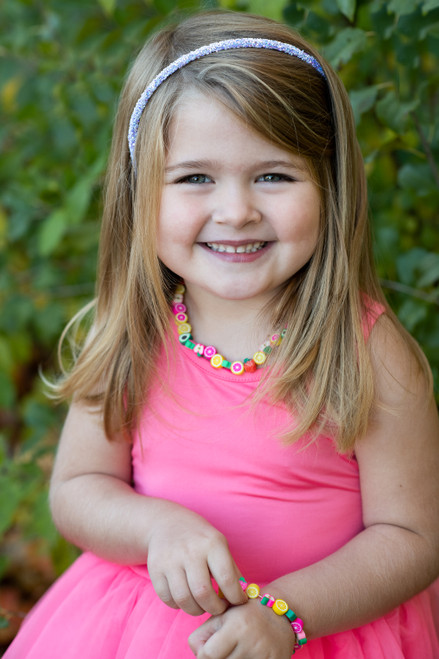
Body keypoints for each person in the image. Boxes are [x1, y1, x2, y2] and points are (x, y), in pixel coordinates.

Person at [5, 9, 439, 659]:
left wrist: (284, 612)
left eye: (272, 174)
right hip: (138, 631)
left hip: (314, 631)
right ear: (140, 192)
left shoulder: (367, 349)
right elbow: (76, 491)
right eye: (194, 178)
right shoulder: (134, 330)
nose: (235, 211)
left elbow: (411, 534)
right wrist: (157, 527)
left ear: (329, 185)